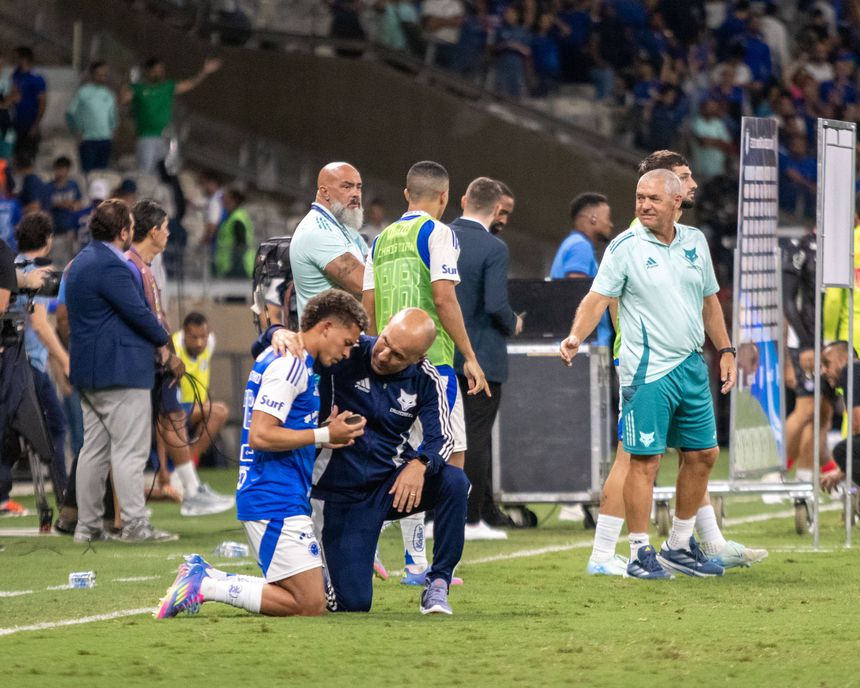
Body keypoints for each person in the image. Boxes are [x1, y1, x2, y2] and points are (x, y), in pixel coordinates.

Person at [584, 150, 766, 576]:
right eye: (684, 178)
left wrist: (724, 349)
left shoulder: (689, 239)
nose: (692, 185)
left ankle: (691, 543)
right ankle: (612, 552)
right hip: (645, 364)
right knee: (633, 459)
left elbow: (704, 301)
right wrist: (621, 349)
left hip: (682, 362)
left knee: (694, 454)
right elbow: (609, 301)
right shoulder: (631, 239)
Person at [155, 290, 368, 619]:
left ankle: (207, 580)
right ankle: (206, 583)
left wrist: (324, 436)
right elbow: (261, 434)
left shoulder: (292, 360)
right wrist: (324, 433)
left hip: (279, 491)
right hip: (273, 494)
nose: (348, 351)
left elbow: (281, 425)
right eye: (348, 341)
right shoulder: (291, 365)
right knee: (309, 603)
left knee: (312, 598)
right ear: (326, 327)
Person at [363, 160, 488, 584]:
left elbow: (368, 303)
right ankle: (432, 566)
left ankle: (414, 561)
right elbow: (444, 298)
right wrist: (469, 355)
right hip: (432, 362)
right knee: (449, 460)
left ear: (404, 195)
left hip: (390, 364)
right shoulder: (438, 233)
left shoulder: (379, 240)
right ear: (445, 198)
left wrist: (378, 354)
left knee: (408, 457)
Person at [66, 199, 174, 543]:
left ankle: (88, 526)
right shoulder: (112, 266)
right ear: (123, 231)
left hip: (89, 372)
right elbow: (139, 313)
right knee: (129, 451)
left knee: (94, 451)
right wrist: (166, 344)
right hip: (121, 371)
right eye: (130, 226)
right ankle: (135, 526)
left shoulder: (81, 261)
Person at [127, 200, 234, 515]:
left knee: (171, 418)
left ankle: (191, 488)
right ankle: (122, 511)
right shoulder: (131, 265)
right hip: (141, 360)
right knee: (129, 437)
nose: (169, 234)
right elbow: (141, 315)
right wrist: (163, 346)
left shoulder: (148, 264)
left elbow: (155, 312)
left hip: (155, 358)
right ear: (155, 230)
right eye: (166, 228)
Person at [451, 177, 522, 540]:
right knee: (474, 438)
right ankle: (470, 518)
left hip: (439, 354)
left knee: (442, 436)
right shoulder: (493, 247)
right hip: (482, 357)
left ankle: (436, 516)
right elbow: (495, 304)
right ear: (496, 210)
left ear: (463, 199)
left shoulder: (437, 236)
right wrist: (515, 322)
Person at [11, 212, 69, 503]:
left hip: (7, 365)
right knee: (56, 427)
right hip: (31, 366)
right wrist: (64, 359)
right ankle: (65, 496)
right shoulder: (42, 273)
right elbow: (41, 323)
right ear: (47, 240)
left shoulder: (10, 267)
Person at [289, 162, 368, 318]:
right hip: (325, 338)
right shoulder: (317, 231)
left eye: (358, 187)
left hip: (346, 336)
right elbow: (363, 284)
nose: (356, 194)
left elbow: (373, 267)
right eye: (347, 187)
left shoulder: (345, 228)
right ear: (324, 192)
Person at [121, 56, 221, 174]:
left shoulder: (167, 87)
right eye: (155, 71)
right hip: (146, 136)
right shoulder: (138, 89)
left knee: (161, 171)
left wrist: (204, 71)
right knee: (145, 171)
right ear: (148, 71)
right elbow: (123, 99)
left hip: (164, 137)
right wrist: (127, 80)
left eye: (161, 70)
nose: (158, 73)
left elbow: (190, 84)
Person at [549, 192, 614, 346]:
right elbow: (576, 295)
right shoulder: (580, 247)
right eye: (608, 218)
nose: (610, 224)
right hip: (585, 348)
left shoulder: (572, 243)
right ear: (593, 218)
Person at [171, 311, 230, 461]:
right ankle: (187, 463)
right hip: (175, 410)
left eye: (203, 337)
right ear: (184, 334)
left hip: (197, 408)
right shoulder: (174, 349)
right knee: (219, 411)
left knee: (217, 411)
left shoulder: (210, 343)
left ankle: (189, 461)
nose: (200, 343)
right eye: (194, 337)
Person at [66, 61, 118, 172]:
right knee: (88, 173)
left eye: (104, 74)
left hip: (105, 139)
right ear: (92, 75)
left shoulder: (109, 94)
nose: (102, 77)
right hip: (88, 139)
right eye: (99, 74)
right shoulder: (83, 92)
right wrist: (75, 131)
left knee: (102, 173)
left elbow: (113, 117)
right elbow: (70, 113)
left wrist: (113, 132)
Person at [10, 46, 46, 160]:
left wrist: (36, 124)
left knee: (28, 157)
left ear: (24, 59)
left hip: (29, 124)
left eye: (17, 58)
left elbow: (42, 103)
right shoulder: (14, 76)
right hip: (14, 124)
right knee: (15, 156)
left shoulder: (36, 79)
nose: (15, 61)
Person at [48, 156, 82, 268]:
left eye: (63, 169)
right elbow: (47, 205)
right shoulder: (49, 187)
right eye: (58, 169)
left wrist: (68, 204)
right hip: (55, 229)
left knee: (70, 260)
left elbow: (78, 205)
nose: (60, 173)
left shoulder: (73, 185)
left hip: (70, 230)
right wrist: (63, 204)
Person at [213, 187, 254, 278]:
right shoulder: (229, 217)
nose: (223, 200)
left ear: (232, 200)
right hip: (228, 266)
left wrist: (235, 264)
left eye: (225, 197)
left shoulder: (237, 219)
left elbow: (241, 245)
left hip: (237, 266)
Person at [199, 168, 224, 246]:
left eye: (203, 183)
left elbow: (212, 226)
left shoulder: (215, 201)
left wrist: (203, 243)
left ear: (212, 183)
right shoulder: (222, 196)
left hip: (216, 244)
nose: (202, 187)